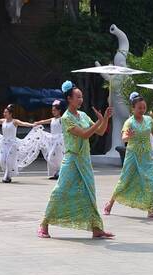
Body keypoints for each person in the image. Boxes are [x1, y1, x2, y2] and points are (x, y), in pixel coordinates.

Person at [38, 80, 113, 239]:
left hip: (85, 159)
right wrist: (99, 122)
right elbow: (85, 134)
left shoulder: (84, 115)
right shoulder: (66, 118)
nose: (81, 99)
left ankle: (96, 228)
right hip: (72, 159)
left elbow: (100, 132)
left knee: (89, 192)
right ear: (69, 99)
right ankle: (44, 224)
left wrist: (105, 118)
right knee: (60, 191)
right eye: (77, 97)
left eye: (81, 97)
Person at [104, 92, 153, 220]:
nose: (142, 110)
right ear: (133, 108)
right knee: (125, 181)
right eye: (139, 108)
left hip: (147, 156)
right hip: (133, 155)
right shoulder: (129, 122)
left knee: (151, 181)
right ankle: (109, 204)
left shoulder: (149, 120)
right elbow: (124, 138)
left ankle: (151, 210)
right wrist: (129, 136)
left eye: (144, 107)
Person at [0, 104, 46, 183]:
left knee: (9, 160)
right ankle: (8, 175)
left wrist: (33, 125)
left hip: (12, 144)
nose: (4, 114)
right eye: (4, 112)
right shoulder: (3, 121)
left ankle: (6, 177)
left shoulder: (15, 121)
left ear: (10, 114)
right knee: (2, 160)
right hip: (4, 144)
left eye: (6, 112)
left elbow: (24, 123)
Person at [34, 99, 65, 180]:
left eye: (55, 110)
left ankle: (60, 172)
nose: (53, 112)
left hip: (59, 141)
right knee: (51, 157)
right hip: (52, 139)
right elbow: (44, 121)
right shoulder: (52, 119)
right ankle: (56, 172)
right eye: (52, 110)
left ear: (59, 111)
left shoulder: (62, 119)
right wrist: (37, 123)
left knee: (58, 157)